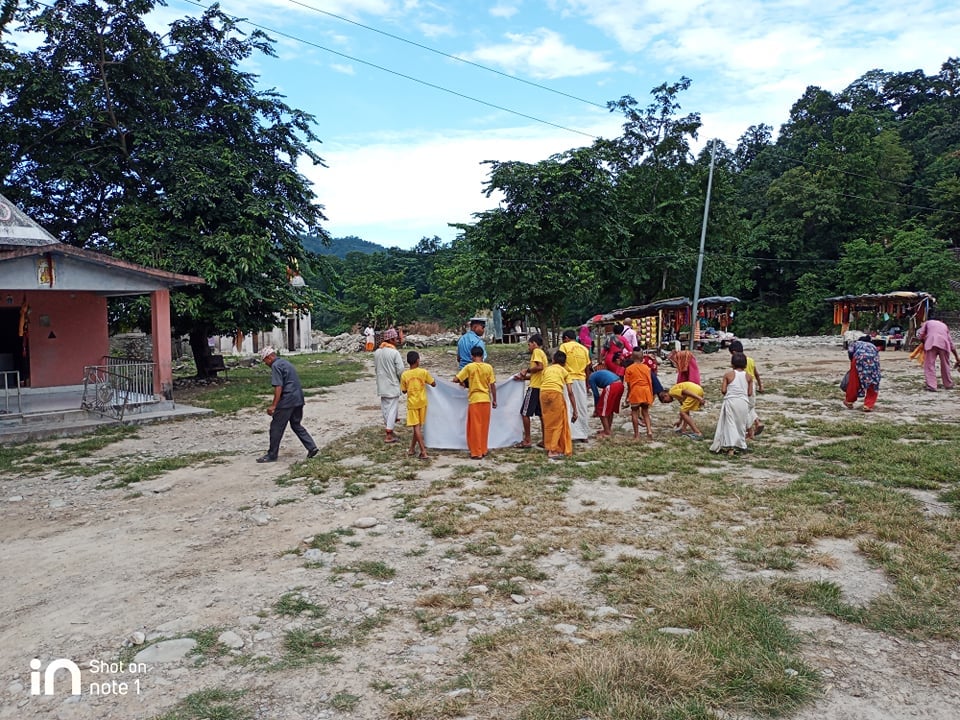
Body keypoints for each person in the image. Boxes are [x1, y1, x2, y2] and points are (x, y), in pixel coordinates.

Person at [257, 347, 319, 463]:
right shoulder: (285, 362)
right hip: (298, 398)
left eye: (265, 361)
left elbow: (278, 386)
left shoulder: (276, 366)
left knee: (276, 427)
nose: (266, 364)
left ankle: (272, 455)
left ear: (270, 357)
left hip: (287, 400)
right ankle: (311, 447)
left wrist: (274, 405)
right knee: (296, 424)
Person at [454, 345, 497, 459]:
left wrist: (463, 382)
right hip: (486, 400)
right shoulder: (488, 367)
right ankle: (483, 449)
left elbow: (456, 379)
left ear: (472, 356)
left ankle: (476, 452)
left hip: (474, 400)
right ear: (482, 356)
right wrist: (495, 400)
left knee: (475, 427)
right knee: (484, 426)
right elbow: (492, 385)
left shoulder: (469, 367)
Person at [709, 352, 755, 455]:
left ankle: (730, 447)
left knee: (729, 424)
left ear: (732, 364)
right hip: (743, 402)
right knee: (741, 424)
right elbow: (750, 393)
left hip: (731, 401)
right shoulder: (749, 377)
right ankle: (740, 444)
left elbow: (723, 390)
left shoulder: (728, 375)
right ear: (745, 364)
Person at [540, 350, 578, 459]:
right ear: (565, 362)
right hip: (556, 393)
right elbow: (570, 392)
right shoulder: (565, 371)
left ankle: (548, 445)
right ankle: (553, 450)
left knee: (548, 421)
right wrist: (575, 410)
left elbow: (543, 383)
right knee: (558, 423)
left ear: (553, 360)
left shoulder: (546, 370)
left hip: (543, 393)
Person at [513, 334, 547, 449]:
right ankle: (545, 439)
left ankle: (527, 440)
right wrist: (524, 377)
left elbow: (540, 367)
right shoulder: (543, 354)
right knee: (541, 414)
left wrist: (526, 370)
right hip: (541, 386)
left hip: (535, 388)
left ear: (534, 343)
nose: (529, 347)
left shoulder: (537, 352)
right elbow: (538, 374)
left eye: (529, 344)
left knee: (525, 413)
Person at [401, 350, 436, 460]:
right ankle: (413, 449)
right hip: (422, 402)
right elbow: (433, 383)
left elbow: (403, 391)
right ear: (418, 360)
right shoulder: (423, 372)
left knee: (416, 427)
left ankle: (423, 452)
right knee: (418, 427)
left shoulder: (405, 375)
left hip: (412, 403)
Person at [559, 329, 591, 442]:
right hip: (581, 380)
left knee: (568, 406)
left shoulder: (564, 347)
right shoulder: (584, 349)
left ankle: (570, 434)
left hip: (568, 379)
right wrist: (587, 382)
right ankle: (583, 434)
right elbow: (588, 367)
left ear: (566, 338)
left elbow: (560, 363)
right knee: (581, 407)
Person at [374, 328, 405, 443]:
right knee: (392, 409)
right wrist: (403, 381)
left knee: (385, 409)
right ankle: (389, 434)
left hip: (382, 385)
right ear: (391, 339)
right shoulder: (394, 352)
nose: (397, 340)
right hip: (392, 385)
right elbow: (400, 370)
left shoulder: (377, 352)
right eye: (396, 338)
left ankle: (389, 429)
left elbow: (376, 368)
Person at [728, 340, 764, 437]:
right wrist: (760, 385)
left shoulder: (737, 362)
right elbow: (756, 374)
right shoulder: (751, 360)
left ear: (734, 352)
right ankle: (757, 422)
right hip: (752, 385)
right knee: (750, 406)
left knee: (745, 409)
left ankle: (750, 431)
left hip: (743, 386)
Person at [915, 314, 960, 391]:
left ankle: (932, 386)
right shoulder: (944, 326)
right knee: (945, 365)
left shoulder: (927, 323)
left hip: (931, 343)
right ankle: (948, 384)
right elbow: (951, 342)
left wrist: (923, 341)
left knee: (929, 365)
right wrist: (956, 356)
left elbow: (920, 335)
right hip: (944, 344)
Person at [622, 350, 654, 439]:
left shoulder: (629, 369)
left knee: (634, 413)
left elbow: (629, 386)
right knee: (645, 412)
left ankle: (636, 435)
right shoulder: (647, 368)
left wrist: (627, 398)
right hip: (646, 391)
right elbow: (649, 381)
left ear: (632, 357)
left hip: (636, 392)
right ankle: (649, 430)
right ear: (642, 358)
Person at [844, 335, 881, 412]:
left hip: (858, 359)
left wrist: (852, 361)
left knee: (854, 381)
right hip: (873, 361)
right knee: (873, 382)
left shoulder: (855, 343)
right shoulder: (873, 346)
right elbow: (877, 356)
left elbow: (850, 352)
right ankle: (868, 405)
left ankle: (849, 401)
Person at [592, 369, 624, 437]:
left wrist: (596, 408)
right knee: (610, 409)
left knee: (601, 409)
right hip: (620, 385)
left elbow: (596, 395)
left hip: (612, 386)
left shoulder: (591, 378)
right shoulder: (599, 373)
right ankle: (608, 428)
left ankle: (607, 431)